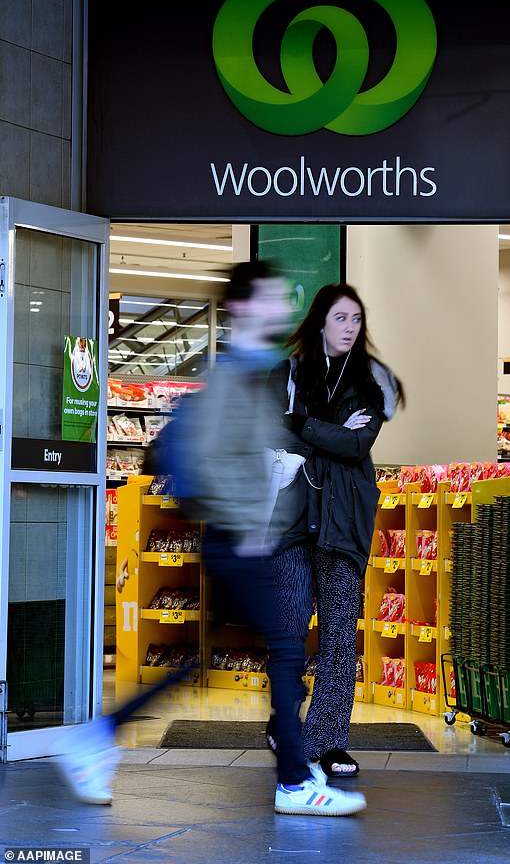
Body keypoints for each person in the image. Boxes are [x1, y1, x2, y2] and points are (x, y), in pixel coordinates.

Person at [55, 262, 366, 817]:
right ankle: (294, 782)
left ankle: (96, 738)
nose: (279, 306)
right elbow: (207, 458)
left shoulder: (252, 372)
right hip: (238, 542)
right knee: (289, 650)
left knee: (205, 656)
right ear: (246, 307)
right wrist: (248, 522)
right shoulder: (235, 377)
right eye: (270, 297)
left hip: (245, 541)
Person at [265, 282, 405, 779]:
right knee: (288, 627)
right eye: (341, 318)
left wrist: (303, 423)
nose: (350, 328)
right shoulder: (289, 373)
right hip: (294, 516)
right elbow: (274, 428)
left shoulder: (374, 382)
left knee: (341, 636)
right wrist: (326, 430)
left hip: (344, 520)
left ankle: (327, 742)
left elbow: (356, 445)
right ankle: (285, 721)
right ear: (321, 320)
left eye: (357, 320)